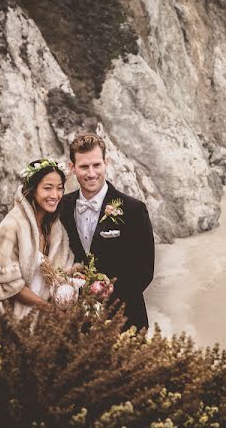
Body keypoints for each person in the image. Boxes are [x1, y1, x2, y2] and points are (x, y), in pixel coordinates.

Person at [59, 133, 155, 330]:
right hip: (76, 323)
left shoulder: (133, 209)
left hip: (125, 319)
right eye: (84, 166)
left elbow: (144, 270)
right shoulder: (61, 208)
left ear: (106, 163)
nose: (91, 173)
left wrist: (105, 299)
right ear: (72, 167)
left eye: (96, 165)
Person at [0, 158, 75, 320]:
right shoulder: (11, 226)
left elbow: (59, 273)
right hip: (15, 320)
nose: (54, 195)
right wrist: (49, 309)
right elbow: (9, 283)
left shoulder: (57, 232)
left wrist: (77, 273)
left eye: (59, 189)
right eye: (47, 188)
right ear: (33, 189)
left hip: (46, 326)